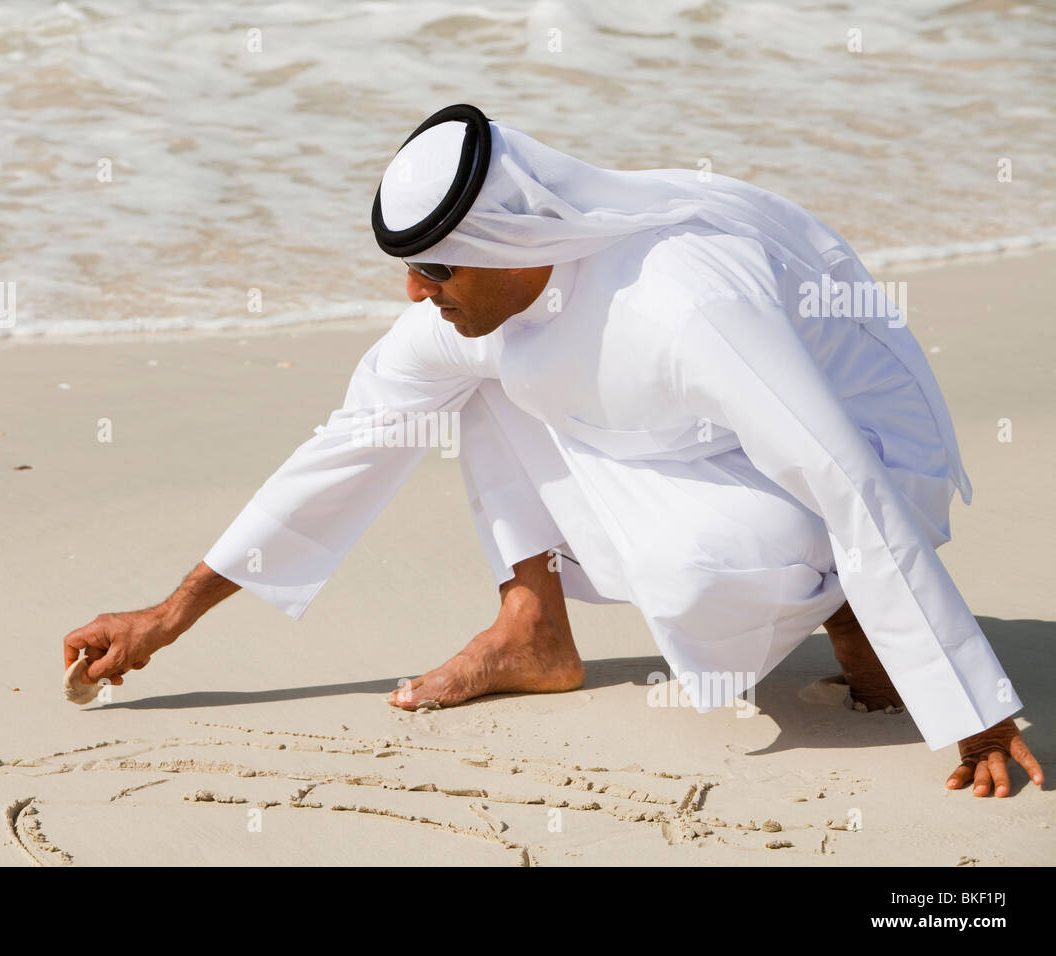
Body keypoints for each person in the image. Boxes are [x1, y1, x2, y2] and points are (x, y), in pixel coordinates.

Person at [64, 105, 1042, 798]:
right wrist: (167, 614)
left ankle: (840, 607)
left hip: (864, 451)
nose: (416, 293)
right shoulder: (476, 305)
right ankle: (532, 630)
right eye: (409, 269)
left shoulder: (685, 303)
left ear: (507, 239)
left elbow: (839, 470)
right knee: (477, 374)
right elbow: (352, 444)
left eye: (434, 268)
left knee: (689, 571)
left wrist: (963, 697)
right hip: (686, 437)